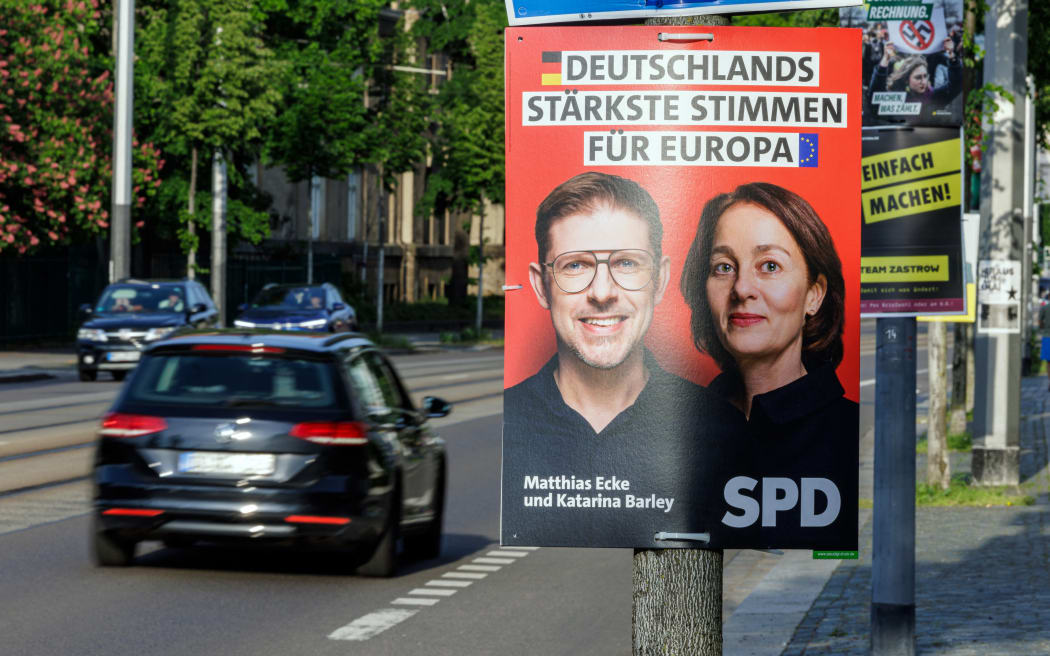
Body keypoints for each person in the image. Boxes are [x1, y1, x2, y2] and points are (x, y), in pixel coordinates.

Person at [502, 171, 739, 548]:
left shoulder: (722, 426)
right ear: (540, 285)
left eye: (627, 263)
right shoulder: (505, 423)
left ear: (659, 280)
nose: (602, 292)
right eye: (575, 265)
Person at [680, 182, 857, 549]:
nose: (742, 288)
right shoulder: (678, 427)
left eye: (770, 266)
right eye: (724, 267)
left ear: (814, 294)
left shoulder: (850, 436)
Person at [869, 41, 961, 121]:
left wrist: (952, 56)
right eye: (918, 77)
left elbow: (956, 85)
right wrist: (885, 59)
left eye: (925, 76)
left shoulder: (934, 96)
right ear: (906, 80)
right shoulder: (897, 99)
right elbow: (875, 98)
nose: (923, 81)